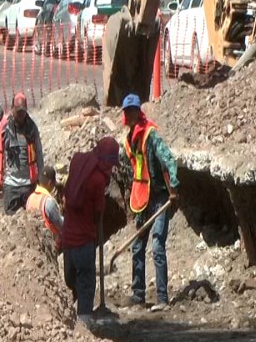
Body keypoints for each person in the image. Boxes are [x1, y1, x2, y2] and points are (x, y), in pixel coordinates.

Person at [119, 93, 180, 312]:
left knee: (157, 244)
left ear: (139, 112)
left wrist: (174, 188)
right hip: (141, 198)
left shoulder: (150, 136)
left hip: (160, 197)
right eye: (128, 112)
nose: (131, 114)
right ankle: (138, 295)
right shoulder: (129, 140)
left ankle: (162, 298)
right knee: (137, 246)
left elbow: (169, 160)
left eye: (134, 110)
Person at [61, 137, 119, 323]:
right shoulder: (97, 179)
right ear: (105, 160)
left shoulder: (78, 163)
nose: (110, 169)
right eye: (110, 165)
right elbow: (98, 209)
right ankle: (84, 321)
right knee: (86, 281)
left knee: (72, 279)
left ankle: (74, 314)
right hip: (84, 240)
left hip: (68, 238)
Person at [0, 92, 43, 215]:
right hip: (11, 185)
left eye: (23, 112)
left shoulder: (32, 128)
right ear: (12, 109)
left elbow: (39, 153)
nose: (20, 115)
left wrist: (41, 176)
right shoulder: (4, 128)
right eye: (18, 112)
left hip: (28, 184)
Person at [25, 165, 63, 239]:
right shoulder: (48, 202)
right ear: (50, 183)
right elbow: (60, 224)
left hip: (35, 238)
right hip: (51, 241)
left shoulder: (30, 198)